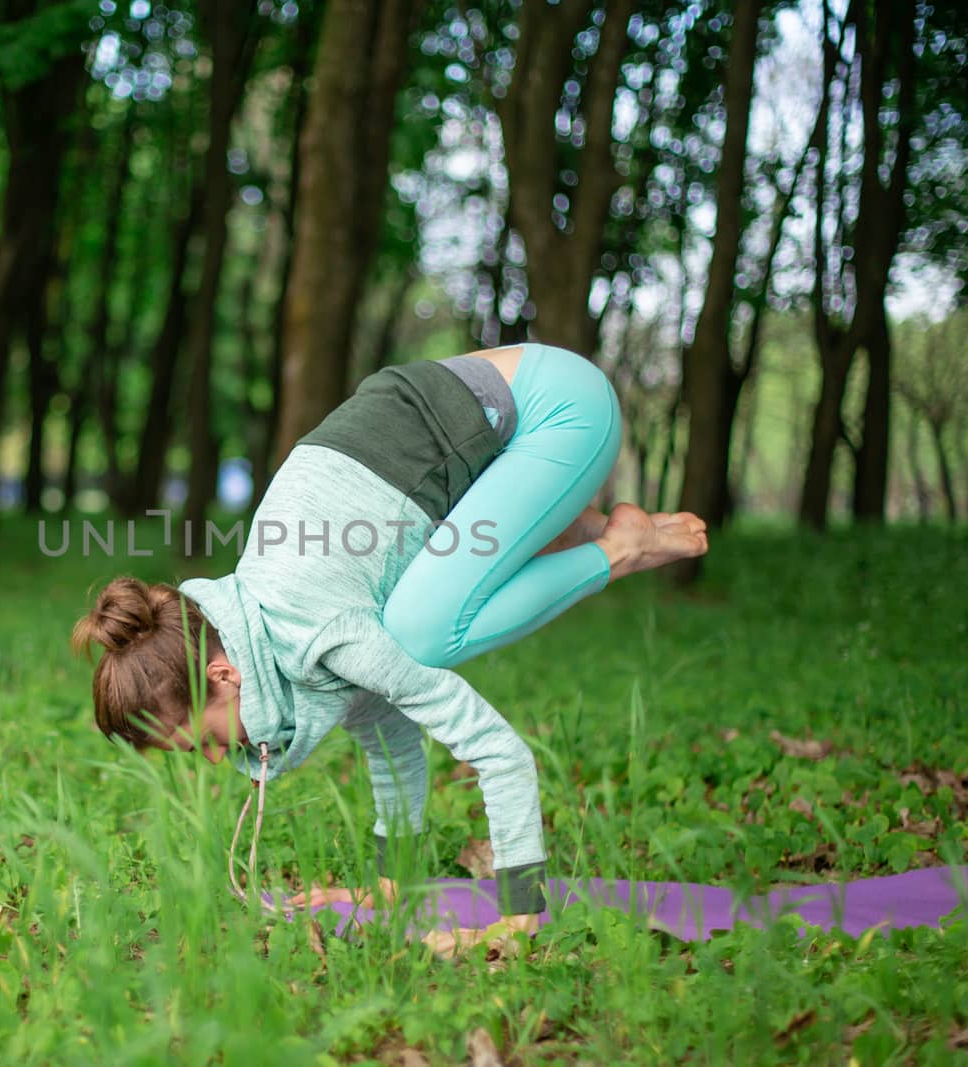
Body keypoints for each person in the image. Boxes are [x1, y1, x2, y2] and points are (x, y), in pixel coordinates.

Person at [71, 341, 708, 950]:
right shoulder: (270, 626)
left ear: (223, 672)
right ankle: (606, 531)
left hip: (558, 408)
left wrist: (520, 916)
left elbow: (498, 750)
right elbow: (389, 735)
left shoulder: (318, 631)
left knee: (419, 634)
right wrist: (389, 884)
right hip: (488, 437)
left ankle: (615, 547)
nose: (216, 759)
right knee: (405, 634)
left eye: (205, 740)